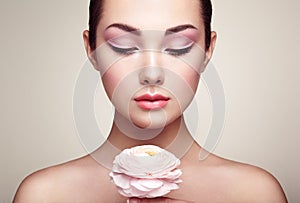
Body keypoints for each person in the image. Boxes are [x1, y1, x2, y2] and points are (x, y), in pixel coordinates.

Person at [13, 0, 287, 202]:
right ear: (91, 49)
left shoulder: (255, 194)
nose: (152, 73)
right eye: (123, 46)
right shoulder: (43, 195)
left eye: (179, 47)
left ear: (207, 50)